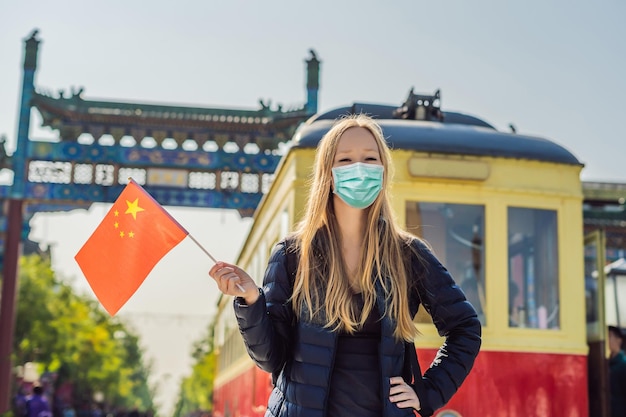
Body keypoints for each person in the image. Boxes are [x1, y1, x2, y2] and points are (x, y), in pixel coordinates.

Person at [209, 114, 482, 417]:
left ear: (383, 170)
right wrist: (251, 301)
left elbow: (465, 328)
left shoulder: (408, 255)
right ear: (328, 172)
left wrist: (426, 392)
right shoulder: (292, 254)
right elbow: (270, 359)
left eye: (369, 158)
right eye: (346, 160)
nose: (359, 169)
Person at [608, 325, 626, 417]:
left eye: (610, 336)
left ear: (619, 340)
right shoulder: (607, 363)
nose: (607, 340)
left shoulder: (623, 364)